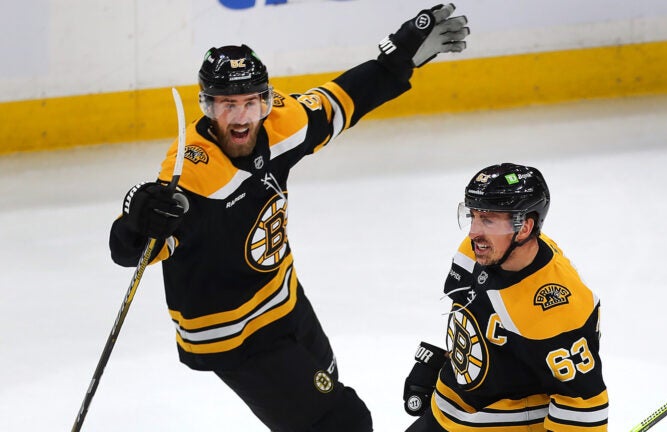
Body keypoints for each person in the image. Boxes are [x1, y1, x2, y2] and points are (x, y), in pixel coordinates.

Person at [108, 4, 469, 432]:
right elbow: (132, 250)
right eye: (226, 104)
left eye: (250, 102)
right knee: (342, 422)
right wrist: (137, 221)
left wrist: (397, 59)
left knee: (328, 385)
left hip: (284, 300)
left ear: (265, 100)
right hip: (231, 333)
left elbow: (341, 101)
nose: (240, 117)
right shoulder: (193, 177)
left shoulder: (280, 123)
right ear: (206, 106)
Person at [402, 163, 609, 431]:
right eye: (473, 216)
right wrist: (445, 363)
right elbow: (475, 319)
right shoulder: (480, 250)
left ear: (524, 228)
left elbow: (583, 407)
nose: (474, 232)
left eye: (487, 220)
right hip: (447, 418)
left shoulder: (556, 307)